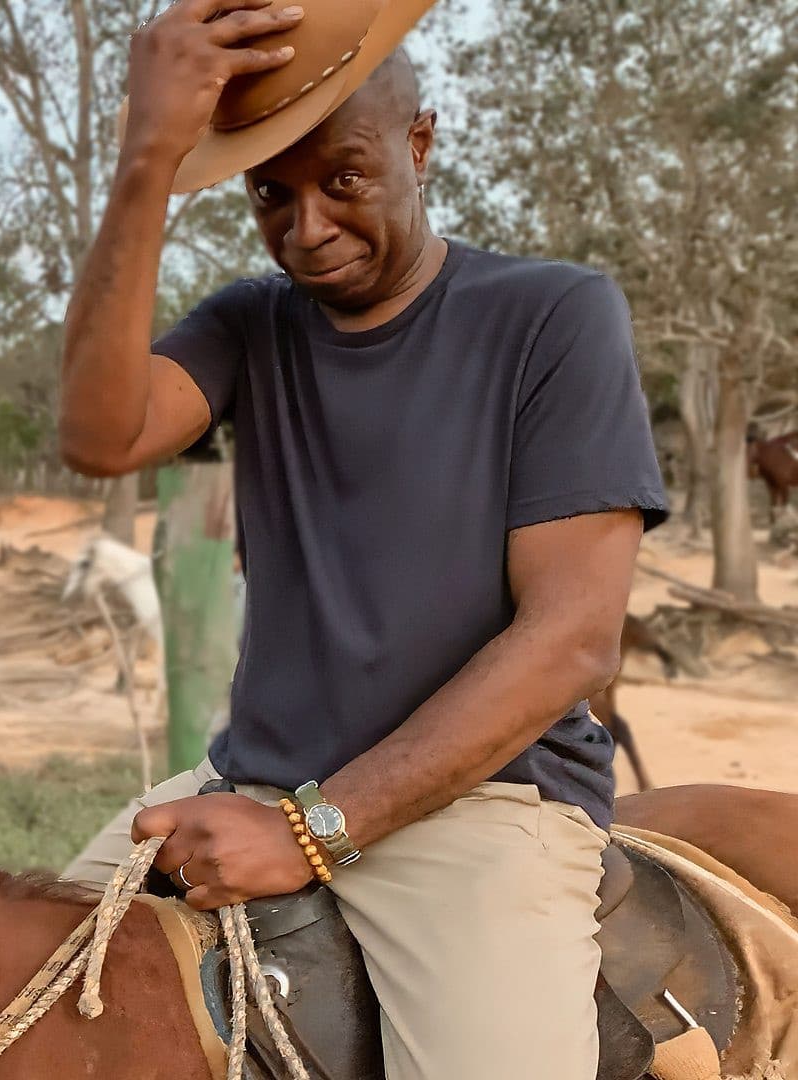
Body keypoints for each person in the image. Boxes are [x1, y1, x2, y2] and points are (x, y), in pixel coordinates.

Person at [57, 1, 669, 1077]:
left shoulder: (553, 317)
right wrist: (147, 159)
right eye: (270, 196)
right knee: (18, 1000)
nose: (307, 229)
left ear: (419, 145)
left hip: (486, 808)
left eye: (342, 179)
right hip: (248, 785)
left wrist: (308, 835)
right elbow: (99, 436)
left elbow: (571, 639)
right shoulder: (252, 324)